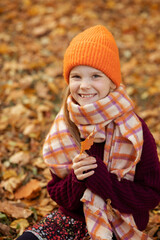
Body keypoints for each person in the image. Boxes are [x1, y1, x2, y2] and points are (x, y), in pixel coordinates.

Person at [17, 25, 160, 240]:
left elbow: (151, 196)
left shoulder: (134, 130)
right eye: (76, 76)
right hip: (72, 219)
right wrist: (77, 179)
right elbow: (59, 196)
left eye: (95, 76)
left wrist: (105, 182)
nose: (84, 86)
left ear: (112, 82)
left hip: (119, 223)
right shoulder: (65, 125)